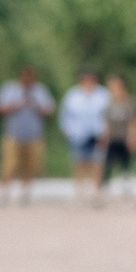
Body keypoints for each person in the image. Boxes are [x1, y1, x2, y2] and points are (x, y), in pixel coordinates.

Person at [0, 64, 54, 204]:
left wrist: (35, 104)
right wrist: (16, 105)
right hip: (12, 134)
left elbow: (48, 110)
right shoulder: (9, 89)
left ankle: (25, 193)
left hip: (34, 135)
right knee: (8, 165)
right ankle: (4, 192)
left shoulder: (40, 90)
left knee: (30, 165)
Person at [60, 69, 109, 205]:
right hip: (78, 135)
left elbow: (108, 116)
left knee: (98, 165)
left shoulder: (103, 95)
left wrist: (106, 133)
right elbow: (65, 115)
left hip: (97, 135)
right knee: (79, 164)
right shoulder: (72, 95)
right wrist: (68, 131)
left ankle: (97, 194)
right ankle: (79, 194)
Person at [101, 75, 136, 198]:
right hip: (113, 138)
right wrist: (105, 137)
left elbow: (135, 122)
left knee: (126, 164)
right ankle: (104, 188)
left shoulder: (130, 102)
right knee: (108, 164)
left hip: (125, 138)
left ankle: (126, 188)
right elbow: (106, 122)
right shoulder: (109, 103)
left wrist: (134, 137)